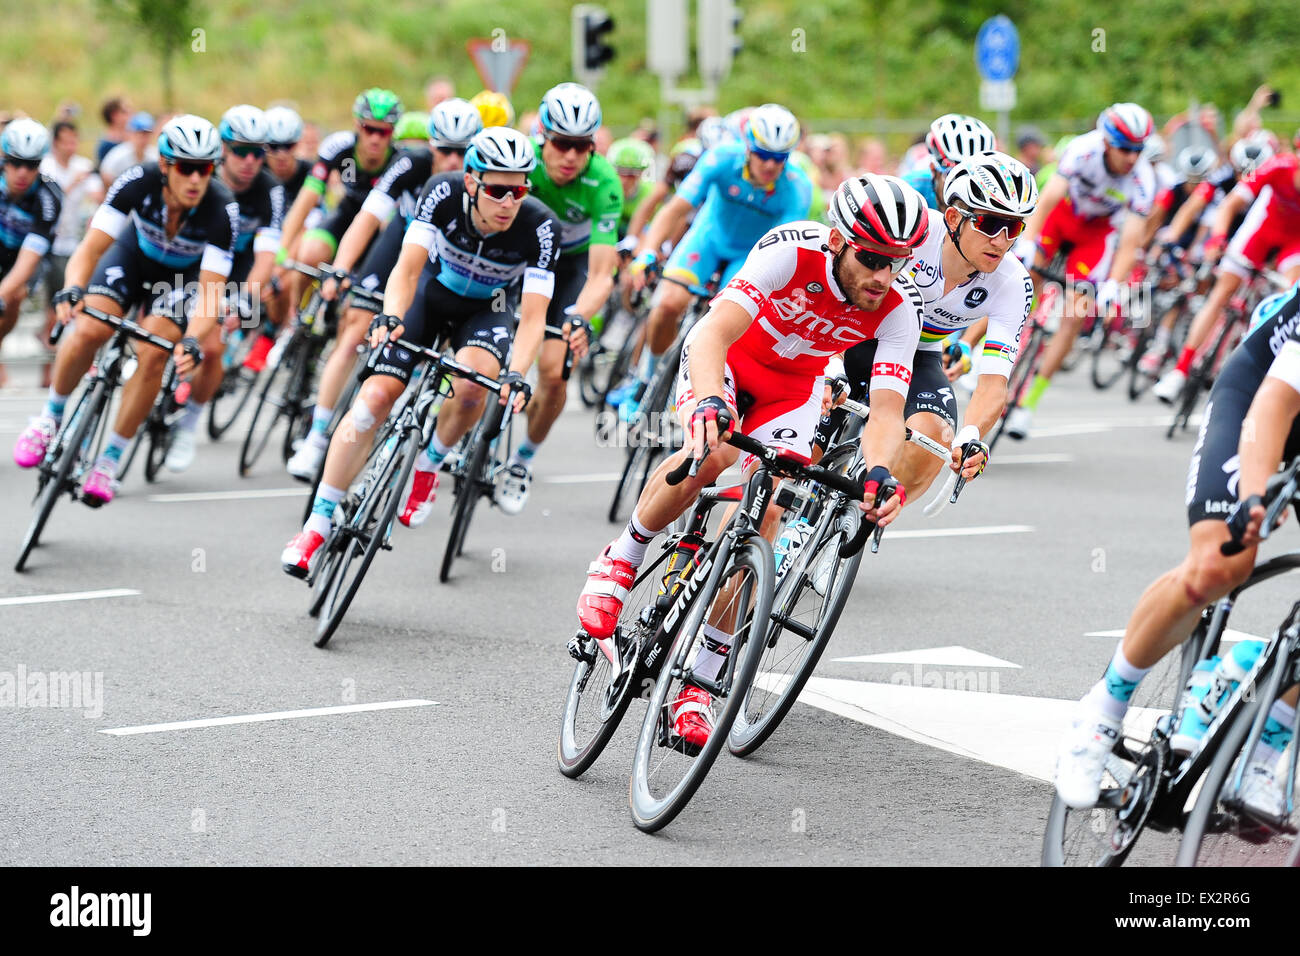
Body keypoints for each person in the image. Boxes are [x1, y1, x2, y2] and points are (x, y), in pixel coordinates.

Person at [574, 174, 926, 750]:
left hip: (795, 390)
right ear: (838, 240)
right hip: (729, 361)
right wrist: (711, 398)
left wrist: (879, 471)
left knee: (770, 510)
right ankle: (623, 554)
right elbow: (712, 333)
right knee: (709, 454)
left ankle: (700, 684)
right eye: (871, 258)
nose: (882, 276)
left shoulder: (897, 310)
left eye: (897, 263)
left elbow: (887, 412)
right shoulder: (790, 252)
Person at [1054, 284, 1300, 818]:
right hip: (1262, 397)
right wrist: (1256, 492)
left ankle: (1264, 725)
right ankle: (1102, 710)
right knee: (1219, 562)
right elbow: (1274, 405)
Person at [279, 127, 560, 575]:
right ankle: (315, 525)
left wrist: (518, 372)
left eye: (520, 189)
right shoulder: (442, 191)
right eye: (498, 190)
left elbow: (531, 318)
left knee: (472, 388)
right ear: (471, 181)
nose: (510, 201)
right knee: (373, 399)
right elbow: (407, 270)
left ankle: (428, 464)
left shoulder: (541, 226)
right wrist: (391, 316)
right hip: (429, 295)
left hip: (487, 310)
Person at [14, 115, 235, 505]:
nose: (196, 179)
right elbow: (90, 248)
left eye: (205, 169)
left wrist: (192, 339)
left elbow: (211, 293)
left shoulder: (221, 209)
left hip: (179, 282)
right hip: (131, 258)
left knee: (153, 354)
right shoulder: (137, 180)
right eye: (186, 168)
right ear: (166, 166)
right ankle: (50, 417)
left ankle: (110, 459)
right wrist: (72, 289)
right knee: (88, 329)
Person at [285, 98, 483, 481]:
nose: (453, 162)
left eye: (462, 152)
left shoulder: (482, 184)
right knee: (355, 327)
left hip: (442, 262)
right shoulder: (411, 164)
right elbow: (368, 217)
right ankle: (316, 437)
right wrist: (341, 269)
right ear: (431, 145)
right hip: (401, 244)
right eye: (444, 151)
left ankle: (412, 420)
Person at [832, 152, 1038, 503]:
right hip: (854, 337)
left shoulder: (1013, 282)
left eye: (1014, 227)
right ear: (955, 217)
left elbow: (993, 383)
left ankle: (853, 517)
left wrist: (971, 433)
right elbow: (839, 290)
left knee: (938, 439)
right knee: (788, 475)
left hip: (920, 354)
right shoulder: (914, 232)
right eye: (990, 224)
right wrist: (830, 362)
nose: (1001, 240)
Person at [622, 104, 811, 422]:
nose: (769, 164)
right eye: (763, 154)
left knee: (724, 325)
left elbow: (788, 249)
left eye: (779, 158)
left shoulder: (797, 187)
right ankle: (646, 380)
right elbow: (676, 209)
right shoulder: (722, 158)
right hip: (707, 240)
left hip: (749, 256)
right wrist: (648, 252)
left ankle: (695, 393)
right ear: (749, 146)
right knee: (668, 304)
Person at [492, 82, 619, 515]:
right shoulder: (521, 162)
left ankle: (523, 458)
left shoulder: (603, 181)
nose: (571, 156)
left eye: (582, 146)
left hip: (569, 267)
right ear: (542, 136)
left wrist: (581, 316)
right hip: (518, 256)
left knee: (553, 373)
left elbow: (603, 273)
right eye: (562, 143)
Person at [1006, 103, 1156, 438]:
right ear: (1106, 142)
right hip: (1062, 217)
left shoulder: (1144, 178)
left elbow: (1130, 241)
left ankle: (1028, 404)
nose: (1132, 157)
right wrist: (1029, 240)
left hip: (1095, 234)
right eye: (1125, 149)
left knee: (1075, 314)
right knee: (1022, 280)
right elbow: (1048, 199)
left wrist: (1113, 286)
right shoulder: (1082, 150)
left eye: (1139, 150)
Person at [165, 105, 284, 472]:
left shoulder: (269, 190)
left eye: (258, 152)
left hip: (238, 269)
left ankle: (188, 423)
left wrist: (246, 298)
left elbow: (266, 256)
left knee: (213, 343)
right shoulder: (201, 181)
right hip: (194, 259)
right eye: (240, 151)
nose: (249, 161)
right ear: (222, 152)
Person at [1153, 133, 1300, 403]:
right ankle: (1180, 370)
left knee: (1292, 301)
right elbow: (1230, 204)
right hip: (1262, 231)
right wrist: (1218, 239)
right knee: (1221, 294)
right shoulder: (1278, 166)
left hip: (1294, 242)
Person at [39, 119, 103, 386]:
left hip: (72, 245)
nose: (72, 145)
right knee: (54, 310)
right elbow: (48, 200)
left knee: (66, 307)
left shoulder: (81, 166)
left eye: (75, 140)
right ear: (55, 143)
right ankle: (47, 371)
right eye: (66, 140)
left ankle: (52, 367)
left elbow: (100, 195)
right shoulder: (45, 168)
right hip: (47, 244)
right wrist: (72, 185)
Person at [0, 119, 63, 381]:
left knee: (14, 295)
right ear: (4, 160)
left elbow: (28, 260)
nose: (23, 172)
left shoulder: (49, 197)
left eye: (32, 164)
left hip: (27, 256)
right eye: (15, 163)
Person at [902, 114, 996, 211]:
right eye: (952, 175)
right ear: (933, 169)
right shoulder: (912, 189)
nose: (963, 188)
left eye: (973, 178)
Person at [99, 112, 156, 189]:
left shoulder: (154, 155)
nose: (144, 139)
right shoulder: (118, 155)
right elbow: (105, 175)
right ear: (131, 134)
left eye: (147, 135)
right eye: (140, 134)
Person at [94, 96, 130, 166]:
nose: (130, 114)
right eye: (124, 112)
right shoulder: (106, 145)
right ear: (114, 115)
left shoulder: (132, 140)